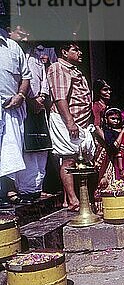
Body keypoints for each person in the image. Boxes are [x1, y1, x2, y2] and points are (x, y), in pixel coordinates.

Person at [47, 41, 96, 211]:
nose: (80, 53)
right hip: (66, 120)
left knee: (78, 158)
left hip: (79, 122)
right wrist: (69, 122)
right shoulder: (57, 67)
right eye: (75, 50)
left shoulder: (75, 70)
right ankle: (74, 199)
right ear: (64, 52)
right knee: (68, 159)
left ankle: (70, 199)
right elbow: (60, 97)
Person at [9, 27, 52, 204]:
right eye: (22, 31)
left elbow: (43, 78)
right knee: (27, 148)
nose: (27, 34)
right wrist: (30, 99)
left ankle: (37, 188)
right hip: (24, 105)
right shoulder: (13, 53)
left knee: (41, 147)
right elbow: (19, 81)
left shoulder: (37, 56)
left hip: (39, 107)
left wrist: (41, 97)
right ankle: (26, 190)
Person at [0, 26, 31, 208]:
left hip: (11, 107)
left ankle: (9, 190)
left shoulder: (12, 47)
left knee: (11, 150)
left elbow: (25, 77)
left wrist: (21, 95)